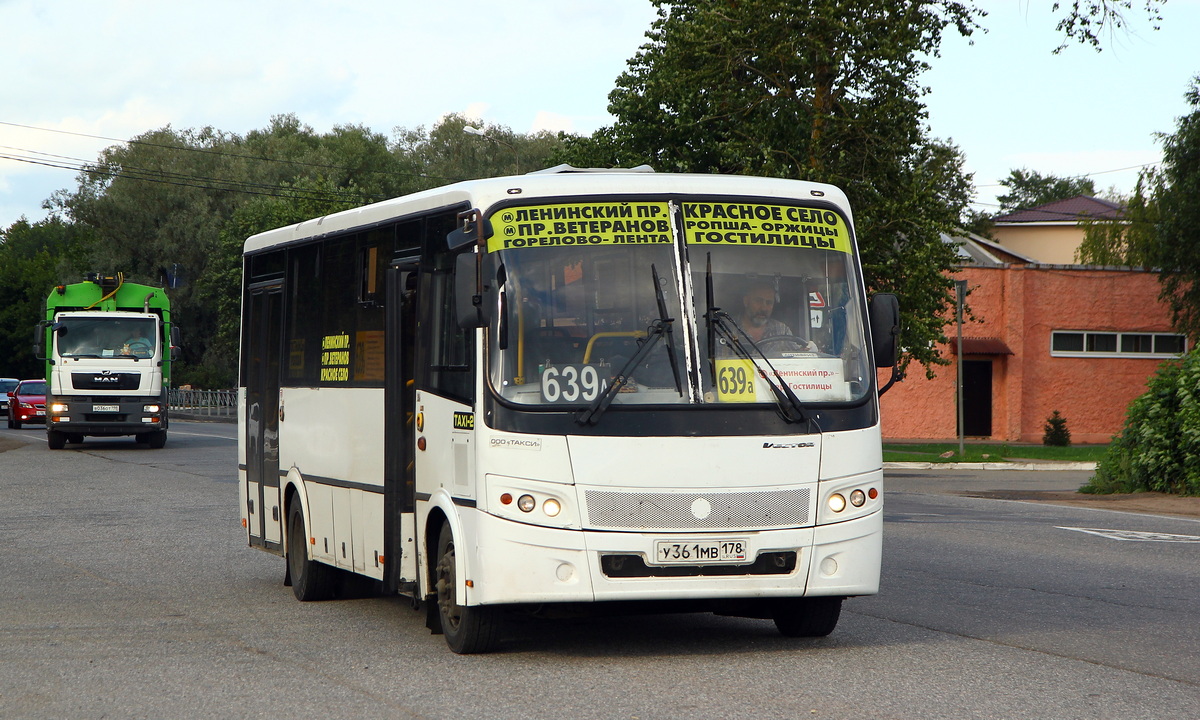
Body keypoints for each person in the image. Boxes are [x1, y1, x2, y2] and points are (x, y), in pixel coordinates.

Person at [736, 279, 817, 353]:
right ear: (746, 301)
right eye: (758, 301)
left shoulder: (781, 330)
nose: (764, 308)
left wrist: (808, 351)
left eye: (769, 302)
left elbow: (796, 355)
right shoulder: (728, 329)